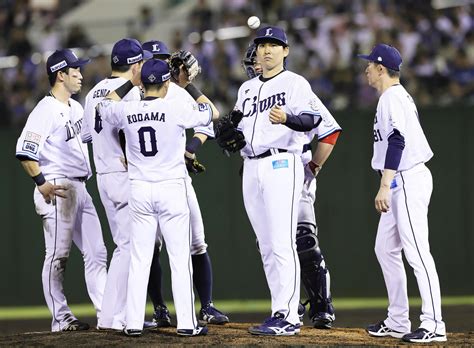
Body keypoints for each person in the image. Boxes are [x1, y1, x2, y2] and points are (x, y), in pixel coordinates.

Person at [97, 58, 220, 337]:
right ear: (166, 83)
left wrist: (132, 81)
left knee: (140, 257)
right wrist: (188, 86)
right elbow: (212, 112)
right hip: (171, 188)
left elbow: (104, 104)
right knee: (179, 258)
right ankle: (187, 324)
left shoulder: (127, 109)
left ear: (144, 84)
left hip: (139, 189)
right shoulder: (176, 106)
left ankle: (133, 323)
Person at [224, 26, 326, 336]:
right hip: (252, 166)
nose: (266, 50)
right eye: (262, 45)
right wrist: (228, 137)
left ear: (286, 51)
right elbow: (237, 129)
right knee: (267, 245)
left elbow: (313, 119)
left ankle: (291, 317)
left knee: (283, 242)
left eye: (274, 45)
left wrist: (288, 119)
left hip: (283, 161)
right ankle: (279, 310)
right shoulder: (247, 89)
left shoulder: (295, 83)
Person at [242, 43, 341, 329]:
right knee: (269, 242)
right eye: (254, 60)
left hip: (293, 168)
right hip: (262, 169)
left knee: (303, 241)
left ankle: (322, 305)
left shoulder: (292, 86)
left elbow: (330, 130)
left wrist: (313, 168)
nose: (257, 64)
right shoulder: (251, 94)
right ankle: (288, 302)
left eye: (259, 58)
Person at [358, 43, 447, 343]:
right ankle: (398, 320)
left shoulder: (392, 97)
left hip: (406, 179)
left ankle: (434, 323)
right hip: (400, 180)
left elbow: (397, 141)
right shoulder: (394, 97)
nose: (366, 69)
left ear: (381, 68)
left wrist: (385, 184)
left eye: (369, 64)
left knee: (418, 252)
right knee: (385, 248)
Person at [15, 49, 108, 332]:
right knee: (58, 256)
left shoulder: (76, 108)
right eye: (75, 70)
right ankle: (61, 317)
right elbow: (25, 151)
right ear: (60, 75)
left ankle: (107, 314)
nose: (81, 74)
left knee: (97, 252)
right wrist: (41, 182)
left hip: (81, 185)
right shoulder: (45, 110)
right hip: (58, 185)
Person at [142, 40, 229, 327]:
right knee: (152, 248)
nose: (164, 63)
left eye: (166, 59)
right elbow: (211, 112)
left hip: (176, 177)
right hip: (150, 181)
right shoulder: (133, 97)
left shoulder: (175, 95)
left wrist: (189, 149)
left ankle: (206, 306)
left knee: (196, 242)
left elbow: (206, 124)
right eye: (156, 58)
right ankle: (160, 310)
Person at [81, 38, 152, 331]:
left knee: (123, 247)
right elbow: (128, 130)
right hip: (125, 175)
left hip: (103, 175)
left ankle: (111, 316)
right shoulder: (130, 95)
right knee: (130, 247)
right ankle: (115, 317)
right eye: (142, 61)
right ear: (134, 66)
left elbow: (86, 136)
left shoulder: (92, 94)